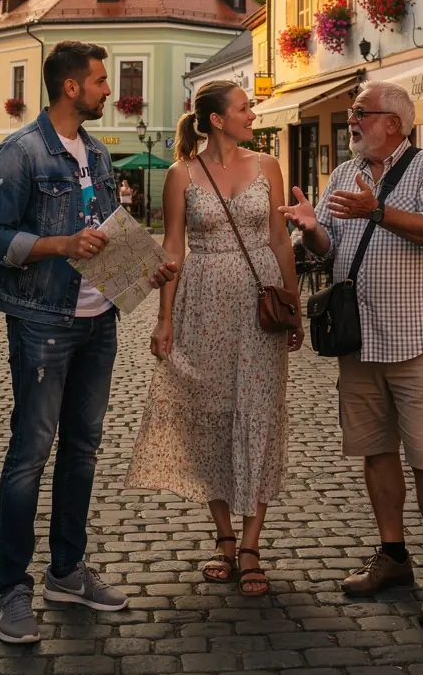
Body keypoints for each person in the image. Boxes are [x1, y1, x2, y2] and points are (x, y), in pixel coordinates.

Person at [0, 40, 178, 645]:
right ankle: (13, 590)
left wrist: (148, 268)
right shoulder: (20, 153)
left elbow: (106, 232)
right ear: (70, 87)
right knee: (29, 455)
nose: (106, 90)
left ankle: (66, 571)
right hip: (43, 319)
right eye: (98, 81)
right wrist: (59, 245)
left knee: (83, 449)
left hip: (99, 320)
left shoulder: (94, 150)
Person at [280, 81, 423, 625]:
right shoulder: (342, 173)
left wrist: (376, 210)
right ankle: (393, 555)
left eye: (363, 113)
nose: (353, 120)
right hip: (359, 343)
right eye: (354, 113)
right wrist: (313, 230)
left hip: (418, 340)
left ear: (394, 125)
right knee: (375, 452)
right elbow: (330, 247)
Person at [126, 80, 303, 597]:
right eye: (245, 107)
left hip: (258, 310)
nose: (253, 113)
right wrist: (164, 318)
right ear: (218, 120)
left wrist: (292, 307)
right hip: (200, 307)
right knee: (210, 418)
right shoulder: (181, 174)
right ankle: (224, 537)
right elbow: (172, 246)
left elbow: (277, 240)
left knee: (260, 415)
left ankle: (251, 546)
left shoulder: (267, 165)